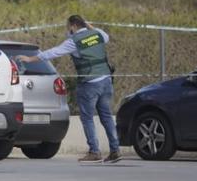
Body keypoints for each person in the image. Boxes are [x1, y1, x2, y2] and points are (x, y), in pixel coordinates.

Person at [17, 15, 121, 163]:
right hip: (106, 81)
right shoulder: (98, 35)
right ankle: (115, 150)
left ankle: (94, 151)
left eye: (68, 27)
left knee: (87, 118)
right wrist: (89, 26)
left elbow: (53, 52)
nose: (68, 30)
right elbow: (106, 36)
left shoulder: (74, 42)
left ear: (73, 26)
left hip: (90, 83)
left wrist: (30, 59)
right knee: (106, 116)